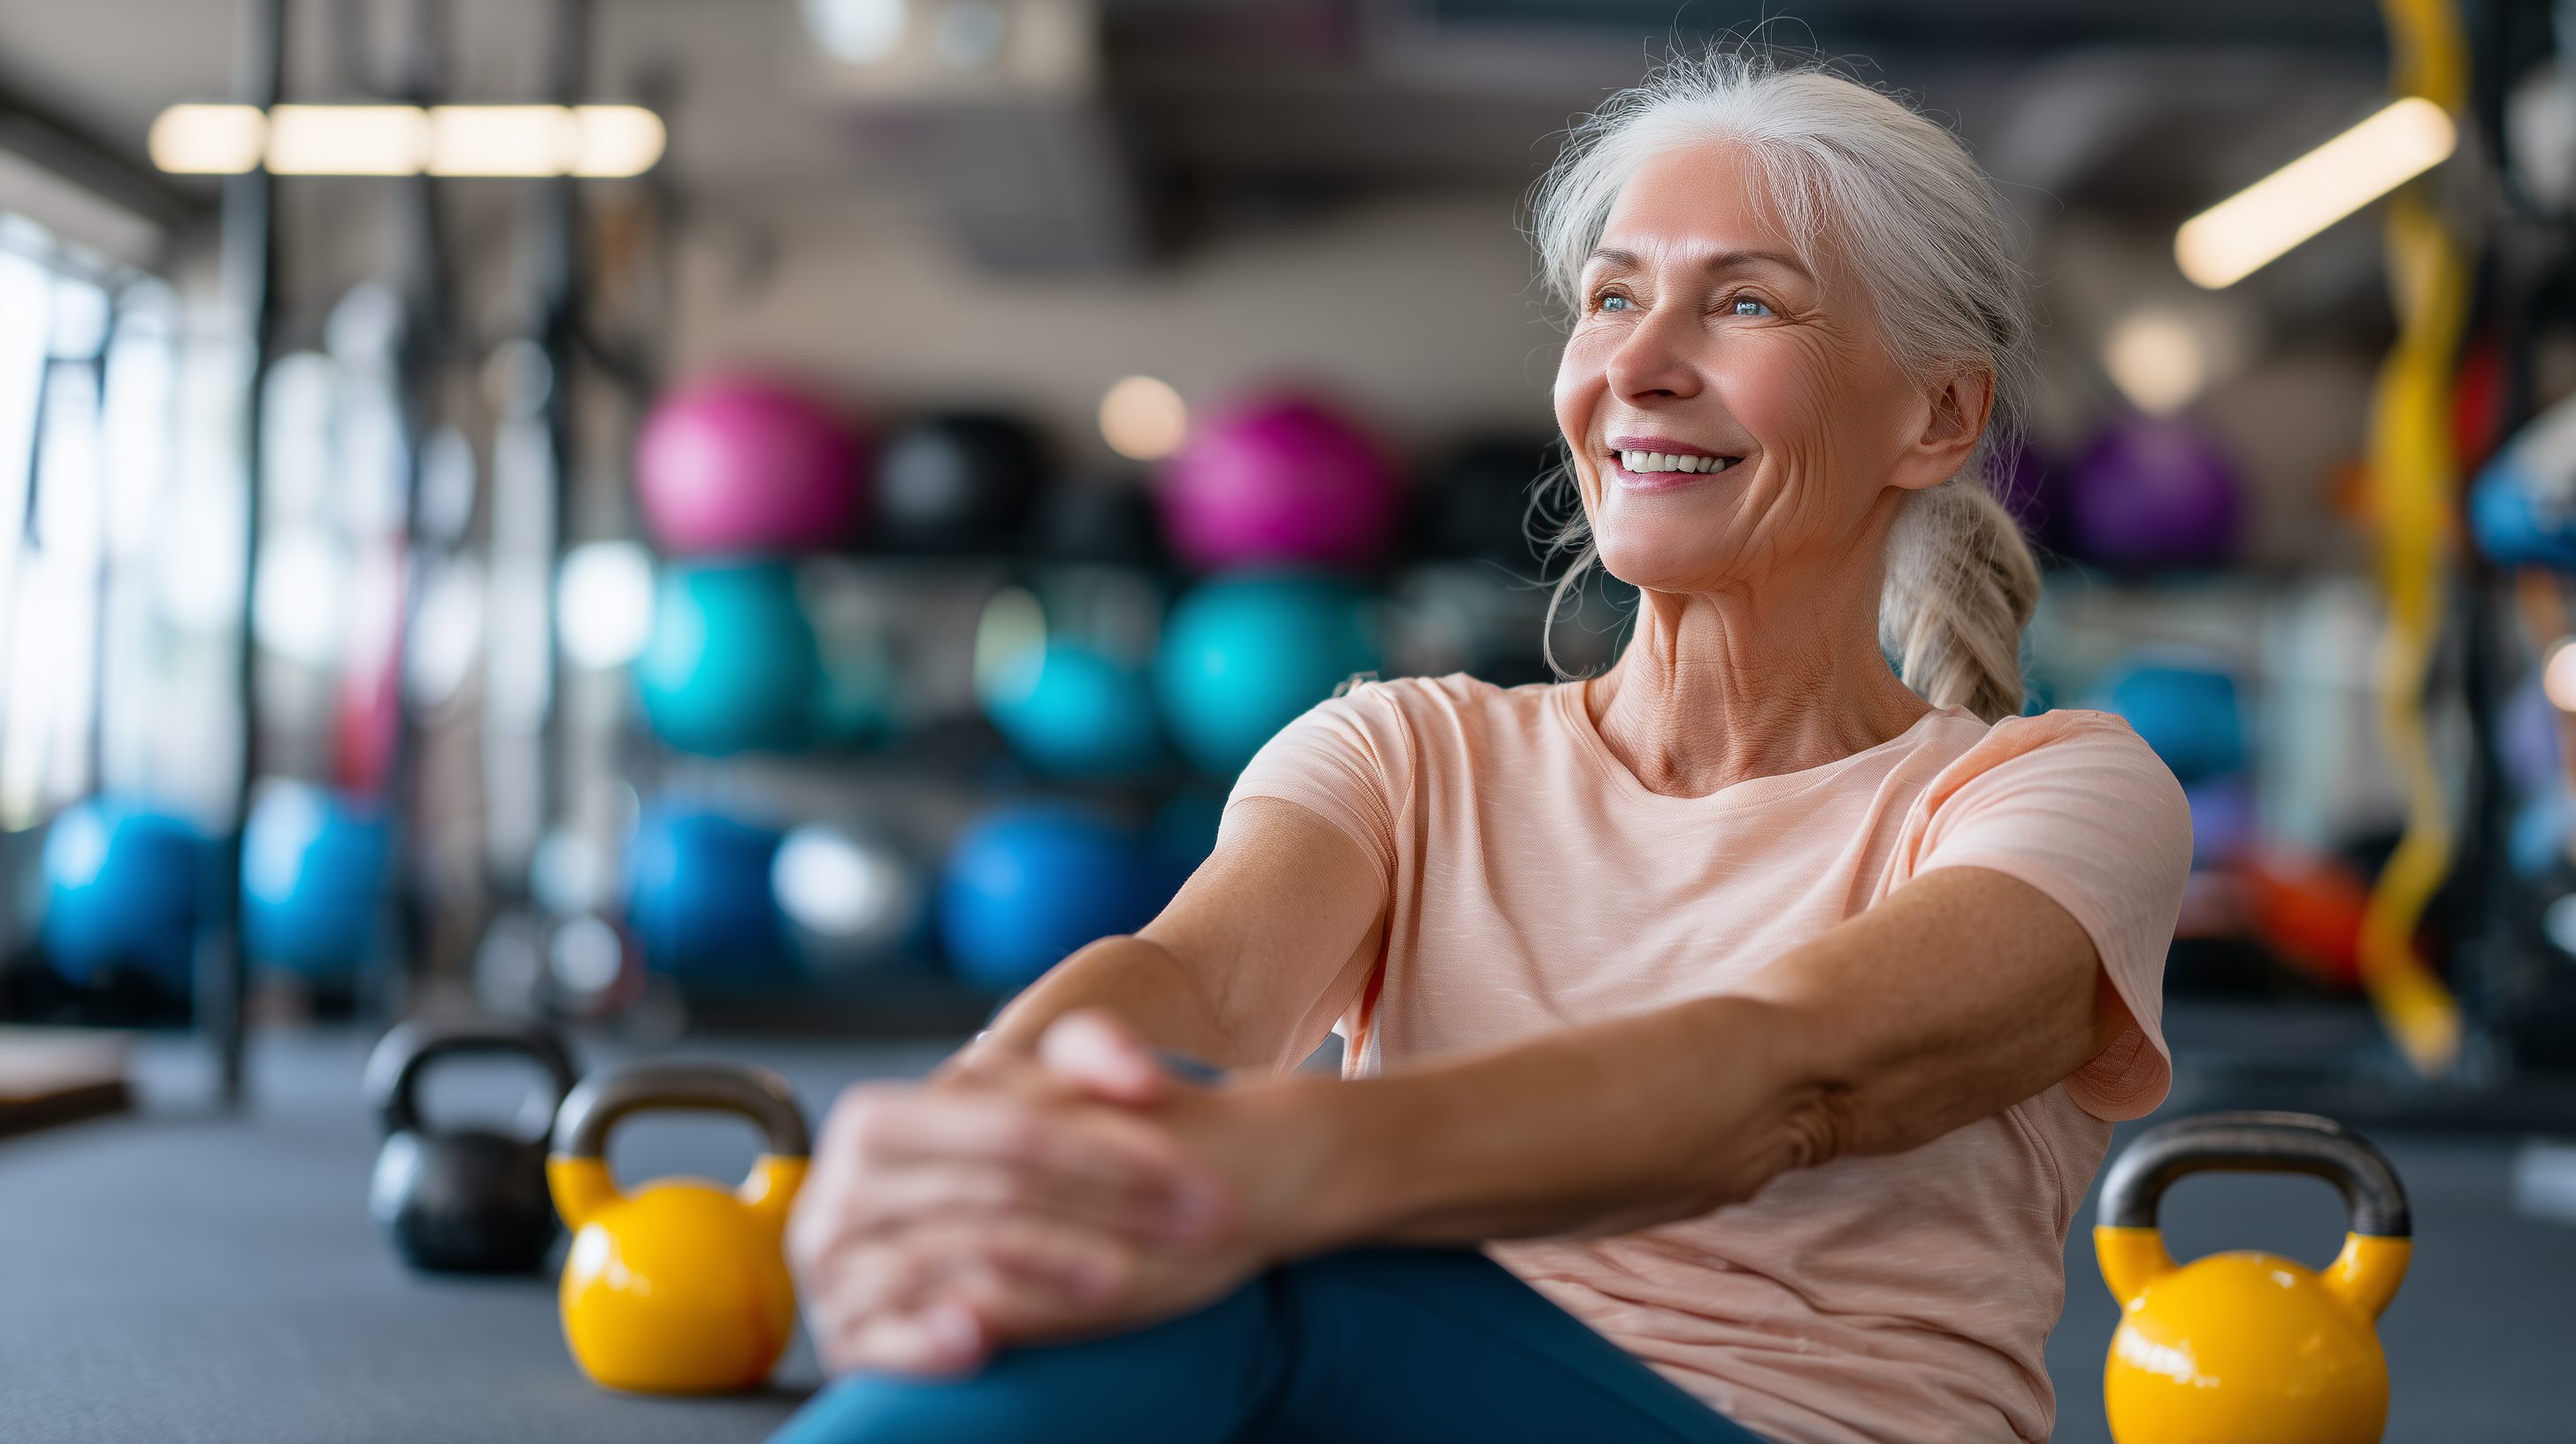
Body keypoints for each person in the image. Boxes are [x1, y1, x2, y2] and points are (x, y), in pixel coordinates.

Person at [774, 49, 2189, 1444]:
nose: (1637, 363)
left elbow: (1792, 1071)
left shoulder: (2055, 797)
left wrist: (1258, 1172)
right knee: (1133, 1191)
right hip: (1390, 1400)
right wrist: (988, 1128)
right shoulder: (1404, 752)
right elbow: (1194, 985)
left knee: (1225, 1256)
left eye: (1745, 303)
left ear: (1937, 415)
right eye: (1612, 298)